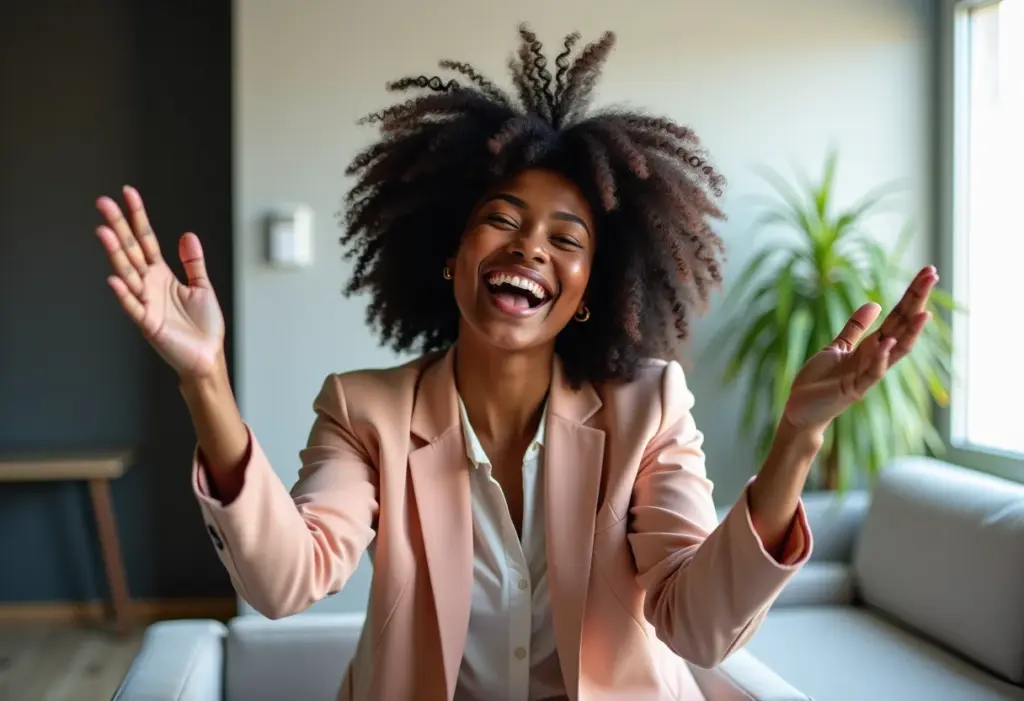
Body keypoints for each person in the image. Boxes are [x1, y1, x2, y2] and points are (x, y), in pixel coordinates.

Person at [93, 25, 936, 701]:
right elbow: (285, 581)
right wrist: (206, 378)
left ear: (589, 292)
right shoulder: (364, 411)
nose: (531, 246)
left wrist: (795, 436)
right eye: (503, 219)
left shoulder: (649, 407)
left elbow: (698, 627)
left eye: (567, 238)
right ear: (450, 257)